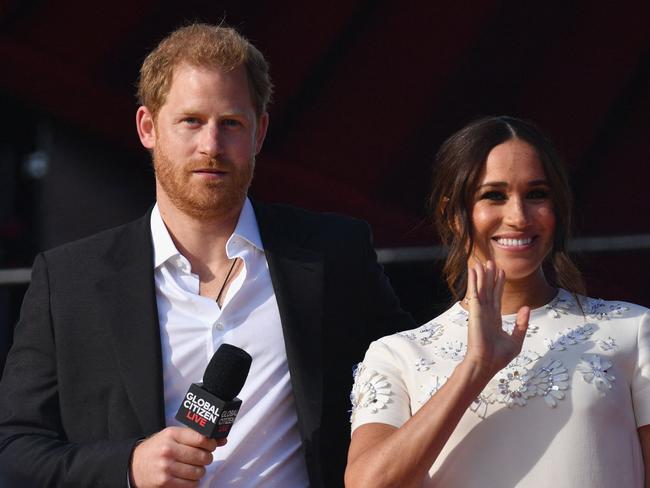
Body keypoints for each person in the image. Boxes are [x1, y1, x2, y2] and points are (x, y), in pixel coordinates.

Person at [0, 24, 414, 487]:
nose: (211, 146)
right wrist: (129, 466)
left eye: (231, 123)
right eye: (191, 121)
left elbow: (414, 381)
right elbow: (13, 452)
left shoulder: (334, 255)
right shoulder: (69, 282)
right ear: (147, 127)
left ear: (259, 133)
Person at [346, 116, 650, 487]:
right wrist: (475, 368)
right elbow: (369, 484)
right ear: (451, 214)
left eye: (537, 194)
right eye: (494, 195)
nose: (518, 216)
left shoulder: (633, 331)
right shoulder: (398, 355)